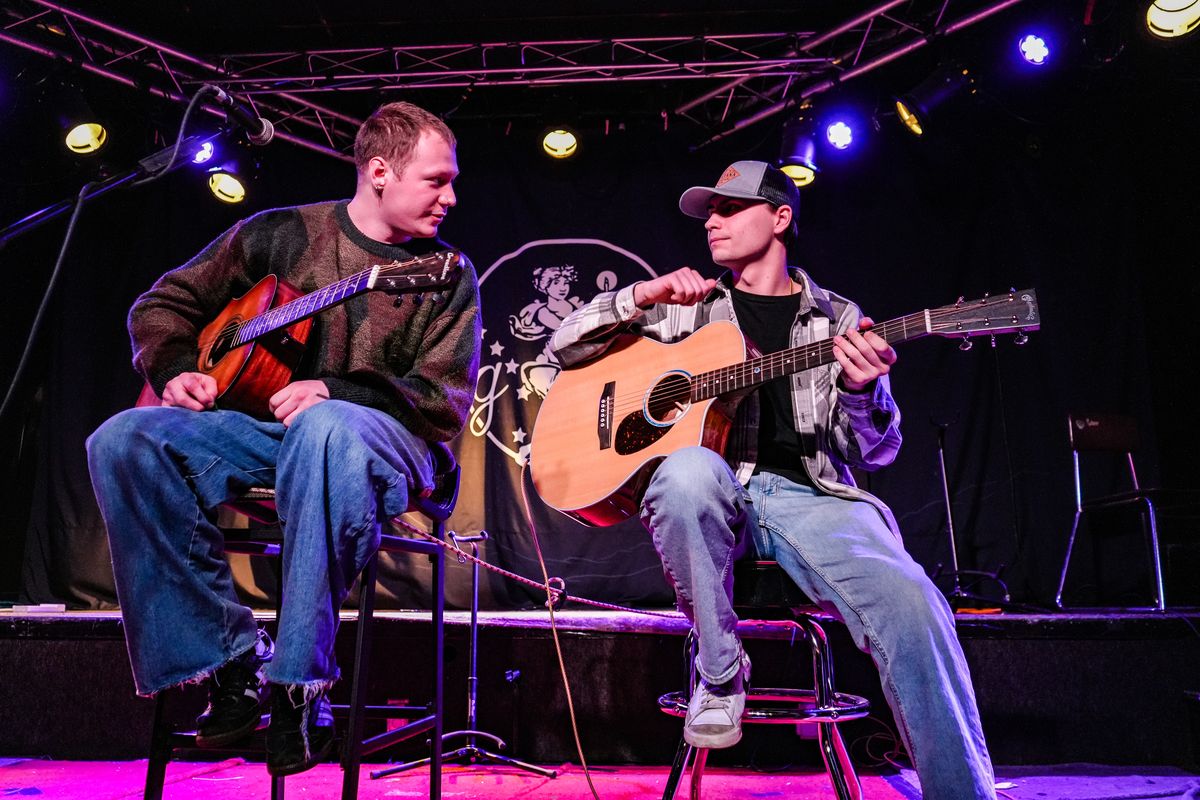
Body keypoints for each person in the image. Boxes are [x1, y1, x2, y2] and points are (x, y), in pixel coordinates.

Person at [549, 160, 995, 799]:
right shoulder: (686, 311)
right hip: (715, 495)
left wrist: (864, 394)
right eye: (710, 209)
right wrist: (638, 297)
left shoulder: (839, 320)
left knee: (913, 603)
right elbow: (563, 345)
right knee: (686, 471)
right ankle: (720, 674)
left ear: (781, 217)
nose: (713, 220)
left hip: (814, 496)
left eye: (730, 207)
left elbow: (875, 453)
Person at [86, 101, 481, 777]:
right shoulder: (277, 235)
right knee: (123, 440)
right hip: (273, 440)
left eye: (451, 182)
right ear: (379, 172)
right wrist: (178, 369)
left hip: (389, 446)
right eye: (436, 180)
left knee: (325, 429)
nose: (450, 197)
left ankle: (301, 686)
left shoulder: (444, 273)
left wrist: (341, 391)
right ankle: (231, 665)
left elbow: (441, 399)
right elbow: (160, 306)